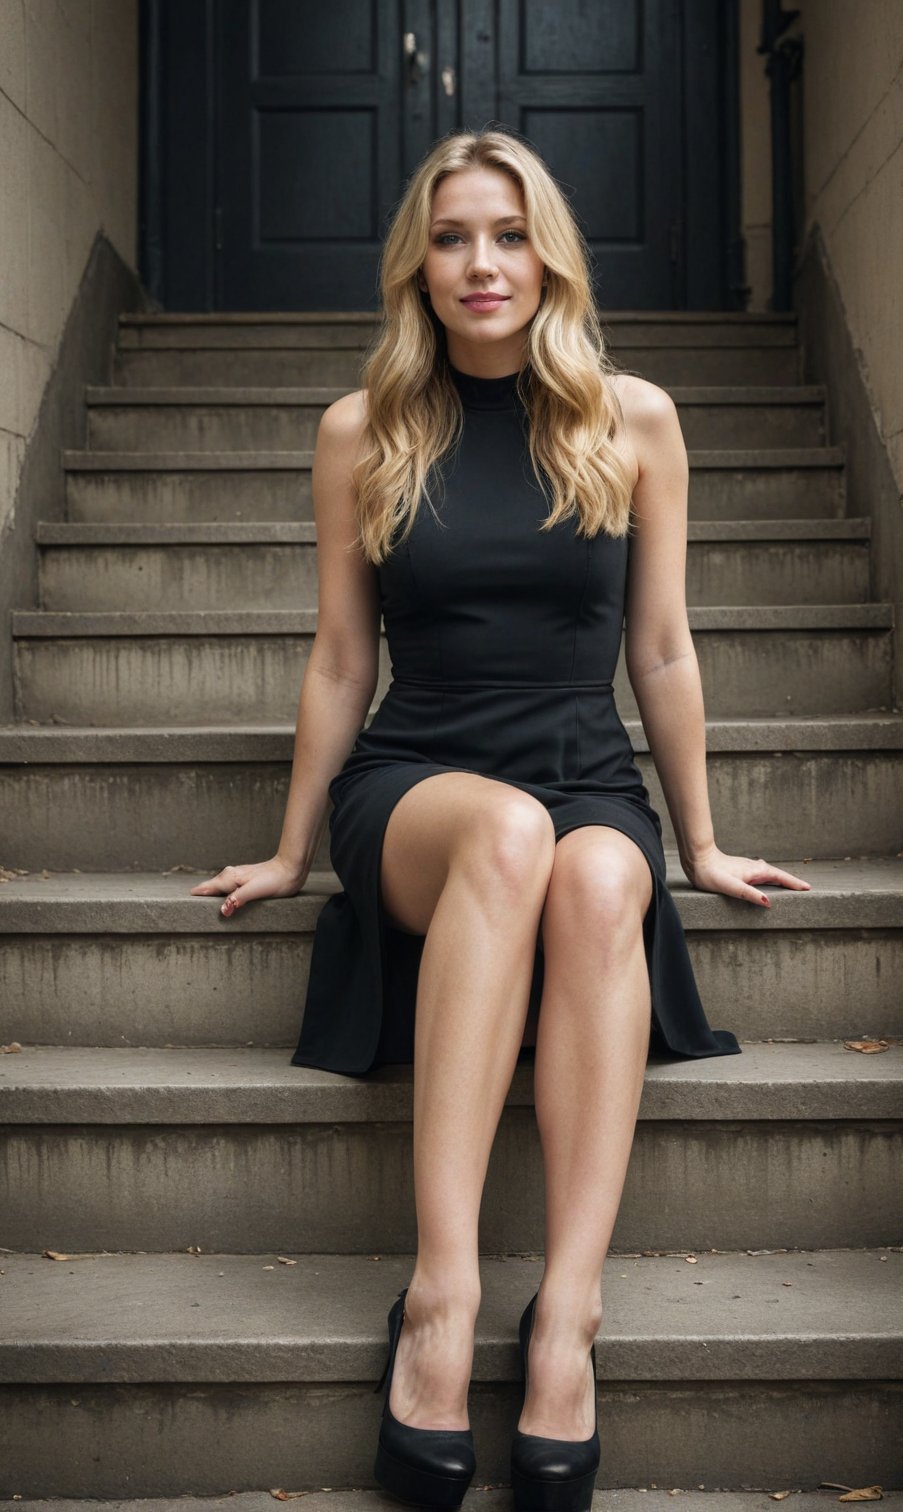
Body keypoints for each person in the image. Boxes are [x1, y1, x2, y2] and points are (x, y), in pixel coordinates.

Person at [190, 128, 811, 1512]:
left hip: (585, 772)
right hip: (416, 787)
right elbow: (344, 659)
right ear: (419, 260)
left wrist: (697, 844)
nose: (485, 263)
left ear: (552, 259)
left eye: (512, 235)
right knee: (512, 838)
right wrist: (295, 848)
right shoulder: (363, 430)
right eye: (458, 235)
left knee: (599, 877)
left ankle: (568, 1319)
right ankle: (442, 1293)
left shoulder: (632, 419)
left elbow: (661, 650)